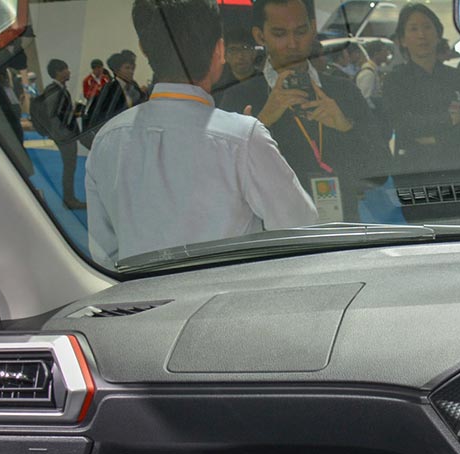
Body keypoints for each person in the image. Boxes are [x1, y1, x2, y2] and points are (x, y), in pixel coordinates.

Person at [85, 0, 316, 265]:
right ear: (219, 50)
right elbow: (301, 225)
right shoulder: (243, 138)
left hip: (141, 291)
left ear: (144, 49)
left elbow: (104, 255)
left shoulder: (107, 140)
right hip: (229, 288)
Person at [219, 0, 384, 222]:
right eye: (279, 33)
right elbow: (223, 184)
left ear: (313, 29)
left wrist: (346, 126)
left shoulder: (344, 91)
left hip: (344, 228)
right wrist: (261, 123)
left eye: (300, 31)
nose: (293, 43)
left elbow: (381, 171)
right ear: (260, 36)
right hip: (276, 234)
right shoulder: (239, 97)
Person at [377, 4, 460, 180]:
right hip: (413, 170)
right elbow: (402, 124)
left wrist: (432, 138)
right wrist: (448, 120)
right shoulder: (395, 80)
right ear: (403, 40)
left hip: (458, 168)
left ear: (438, 34)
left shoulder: (458, 77)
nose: (422, 35)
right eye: (413, 29)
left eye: (427, 27)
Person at [34, 59, 84, 209]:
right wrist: (63, 134)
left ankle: (69, 198)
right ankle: (69, 199)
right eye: (65, 69)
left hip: (65, 134)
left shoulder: (59, 89)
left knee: (70, 167)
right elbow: (53, 116)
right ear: (58, 72)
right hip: (65, 136)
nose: (69, 71)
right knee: (69, 167)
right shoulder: (55, 91)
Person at [82, 50, 148, 145]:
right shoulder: (109, 89)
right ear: (116, 70)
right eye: (127, 68)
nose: (131, 71)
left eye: (132, 68)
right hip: (115, 136)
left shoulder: (134, 87)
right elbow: (100, 115)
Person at [214, 26, 262, 93]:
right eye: (233, 50)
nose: (240, 56)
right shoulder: (218, 88)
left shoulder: (266, 83)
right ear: (225, 56)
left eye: (245, 48)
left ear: (254, 53)